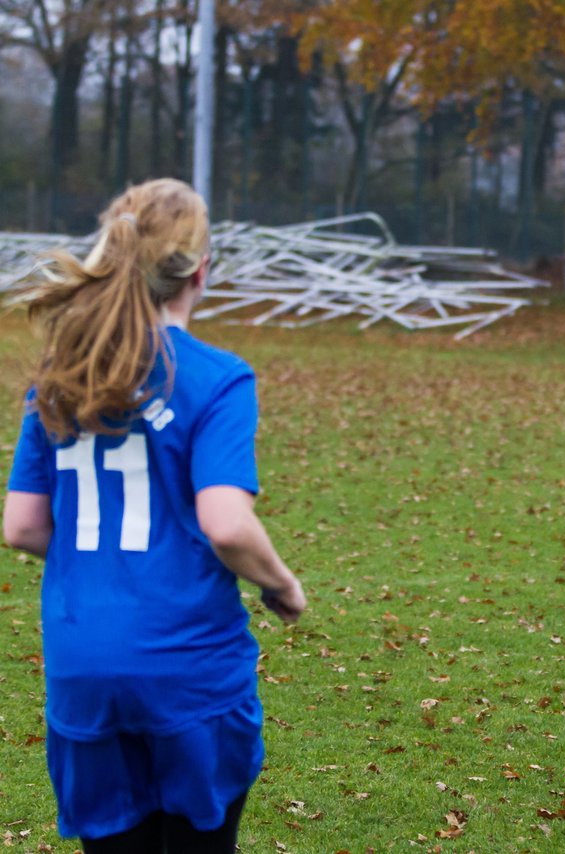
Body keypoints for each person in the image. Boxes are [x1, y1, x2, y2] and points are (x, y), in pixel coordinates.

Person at [3, 178, 307, 852]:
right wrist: (281, 584)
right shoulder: (216, 377)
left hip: (82, 665)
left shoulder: (58, 374)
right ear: (201, 270)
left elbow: (20, 526)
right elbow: (226, 523)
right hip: (187, 668)